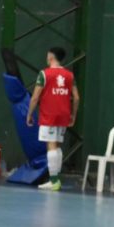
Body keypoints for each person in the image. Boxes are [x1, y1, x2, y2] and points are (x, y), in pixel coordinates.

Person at [26, 47, 80, 191]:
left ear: (50, 57)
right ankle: (55, 178)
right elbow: (76, 97)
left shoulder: (44, 74)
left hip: (49, 114)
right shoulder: (70, 75)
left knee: (51, 145)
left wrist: (30, 113)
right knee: (56, 145)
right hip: (64, 114)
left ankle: (54, 181)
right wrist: (73, 114)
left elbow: (35, 97)